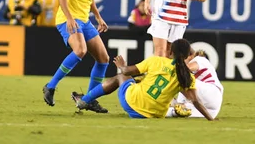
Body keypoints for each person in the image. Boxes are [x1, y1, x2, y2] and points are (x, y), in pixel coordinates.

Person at [43, 0, 111, 113]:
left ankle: (89, 99)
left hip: (84, 19)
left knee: (103, 59)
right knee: (80, 50)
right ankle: (50, 86)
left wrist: (98, 16)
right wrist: (70, 18)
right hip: (68, 19)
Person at [73, 39, 214, 121]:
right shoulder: (187, 76)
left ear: (171, 52)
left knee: (120, 77)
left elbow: (127, 71)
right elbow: (195, 101)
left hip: (133, 104)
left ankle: (85, 101)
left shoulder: (157, 61)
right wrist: (211, 118)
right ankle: (85, 100)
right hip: (155, 115)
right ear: (187, 55)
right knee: (137, 82)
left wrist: (122, 66)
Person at [166, 49, 223, 119]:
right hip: (210, 109)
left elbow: (187, 69)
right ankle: (178, 105)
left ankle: (179, 103)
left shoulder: (199, 59)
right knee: (173, 112)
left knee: (180, 77)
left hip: (212, 93)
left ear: (188, 56)